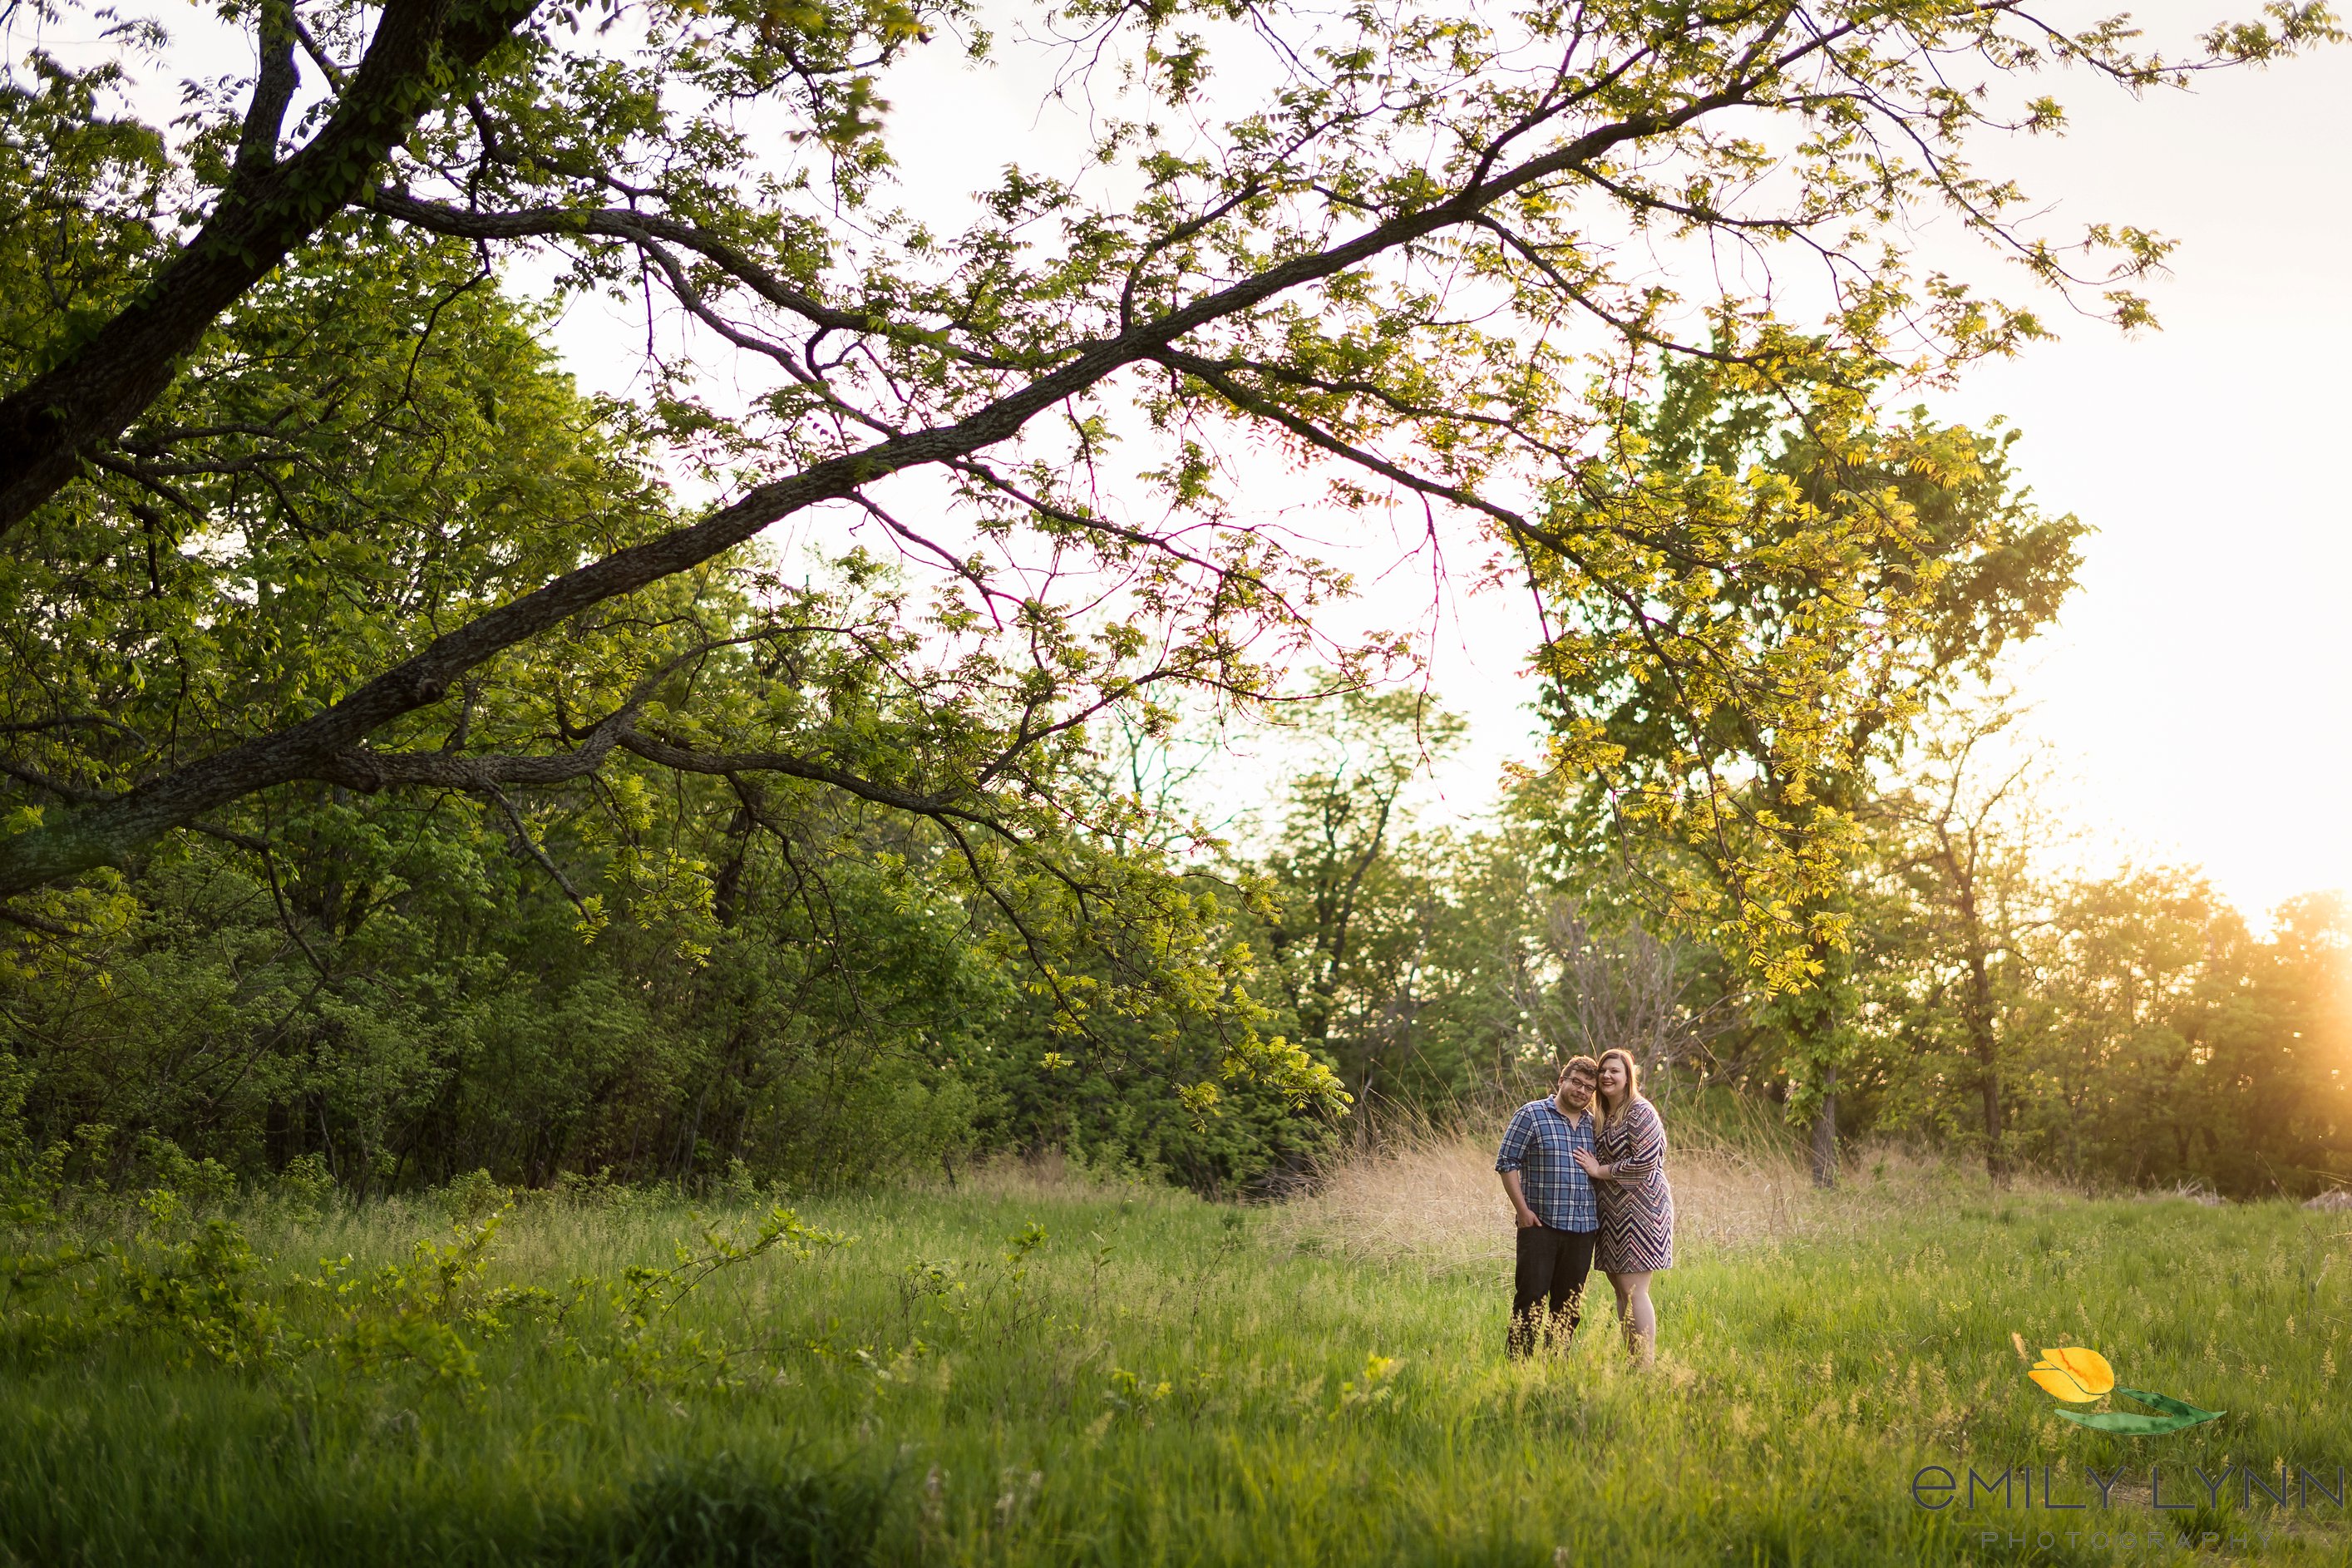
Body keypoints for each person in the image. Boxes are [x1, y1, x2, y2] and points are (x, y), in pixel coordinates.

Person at [1494, 1055, 1600, 1358]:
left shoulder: (1595, 1125)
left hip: (1583, 1229)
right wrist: (1522, 1210)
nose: (1581, 1091)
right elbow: (1506, 1163)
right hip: (1540, 1225)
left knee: (1569, 1305)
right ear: (1561, 1080)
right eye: (1576, 1082)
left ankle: (1556, 1366)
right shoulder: (1532, 1114)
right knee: (1530, 1299)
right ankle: (1520, 1369)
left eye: (1589, 1088)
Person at [1575, 1047, 1674, 1367]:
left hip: (1642, 1208)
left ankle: (1644, 1366)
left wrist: (1599, 1171)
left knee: (1634, 1290)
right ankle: (1633, 1360)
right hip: (1611, 1211)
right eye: (1603, 1070)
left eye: (1614, 1071)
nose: (1606, 1075)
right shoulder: (1603, 1114)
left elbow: (1646, 1162)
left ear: (1628, 1076)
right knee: (1620, 1289)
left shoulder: (1639, 1111)